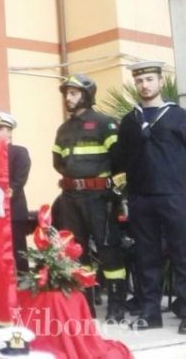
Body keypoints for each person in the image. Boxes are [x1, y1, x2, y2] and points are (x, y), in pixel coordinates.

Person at [113, 61, 186, 333]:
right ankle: (150, 312)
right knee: (146, 256)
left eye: (149, 79)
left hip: (176, 194)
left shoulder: (179, 116)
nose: (144, 85)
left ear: (159, 81)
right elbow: (119, 159)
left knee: (182, 254)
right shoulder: (130, 120)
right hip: (141, 197)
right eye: (140, 80)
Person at [52, 74, 126, 321]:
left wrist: (106, 187)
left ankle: (116, 307)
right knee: (76, 251)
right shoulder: (62, 129)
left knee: (108, 249)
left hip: (100, 197)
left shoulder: (105, 123)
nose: (68, 98)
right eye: (67, 94)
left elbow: (119, 160)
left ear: (87, 95)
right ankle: (85, 308)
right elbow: (58, 162)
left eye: (74, 93)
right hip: (71, 197)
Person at [0, 112, 31, 274]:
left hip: (14, 209)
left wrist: (5, 196)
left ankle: (23, 284)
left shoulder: (19, 152)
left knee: (18, 251)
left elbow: (18, 181)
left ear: (9, 131)